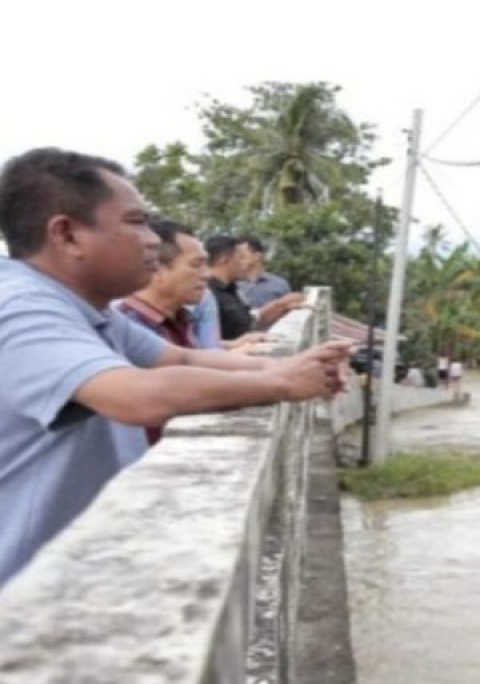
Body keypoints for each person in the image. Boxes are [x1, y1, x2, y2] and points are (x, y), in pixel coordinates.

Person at [0, 147, 350, 587]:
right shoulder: (23, 309)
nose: (152, 240)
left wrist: (288, 367)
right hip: (24, 593)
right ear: (67, 235)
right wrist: (281, 383)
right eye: (136, 222)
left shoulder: (88, 309)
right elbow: (135, 396)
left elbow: (180, 357)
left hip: (80, 573)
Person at [115, 219, 207, 445]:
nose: (207, 274)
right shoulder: (127, 326)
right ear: (157, 269)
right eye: (196, 265)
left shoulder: (181, 319)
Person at [205, 235, 302, 341]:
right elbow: (204, 343)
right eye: (241, 258)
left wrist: (282, 306)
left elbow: (248, 322)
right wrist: (240, 343)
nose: (245, 264)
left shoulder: (232, 290)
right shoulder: (205, 293)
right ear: (223, 259)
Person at [236, 235, 292, 309]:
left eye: (242, 256)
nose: (238, 260)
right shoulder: (232, 285)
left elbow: (289, 311)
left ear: (257, 256)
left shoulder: (280, 284)